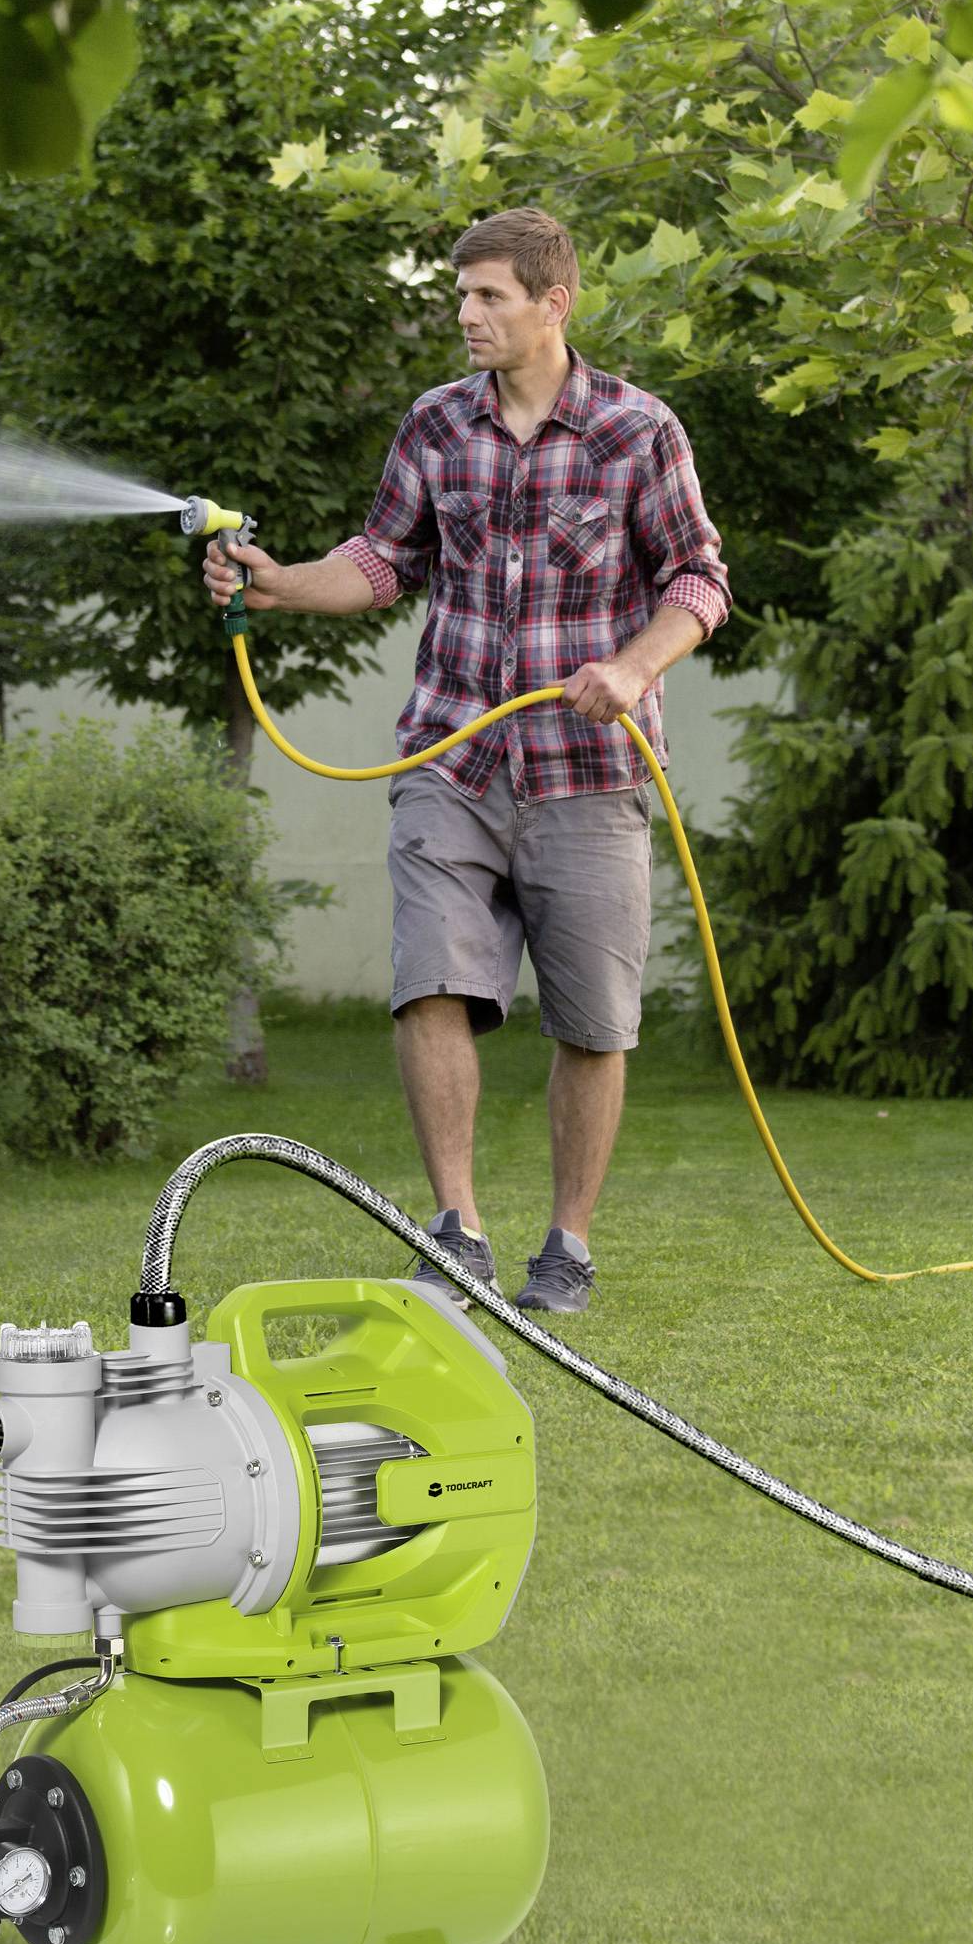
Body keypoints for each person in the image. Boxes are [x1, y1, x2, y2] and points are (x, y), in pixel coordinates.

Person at [201, 206, 728, 1313]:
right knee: (430, 981)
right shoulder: (437, 425)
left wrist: (631, 669)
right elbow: (384, 558)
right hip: (453, 755)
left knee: (593, 1022)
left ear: (554, 302)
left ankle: (567, 1247)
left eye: (488, 295)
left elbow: (698, 582)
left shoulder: (639, 430)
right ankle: (459, 1229)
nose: (466, 314)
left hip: (591, 771)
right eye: (461, 294)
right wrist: (278, 581)